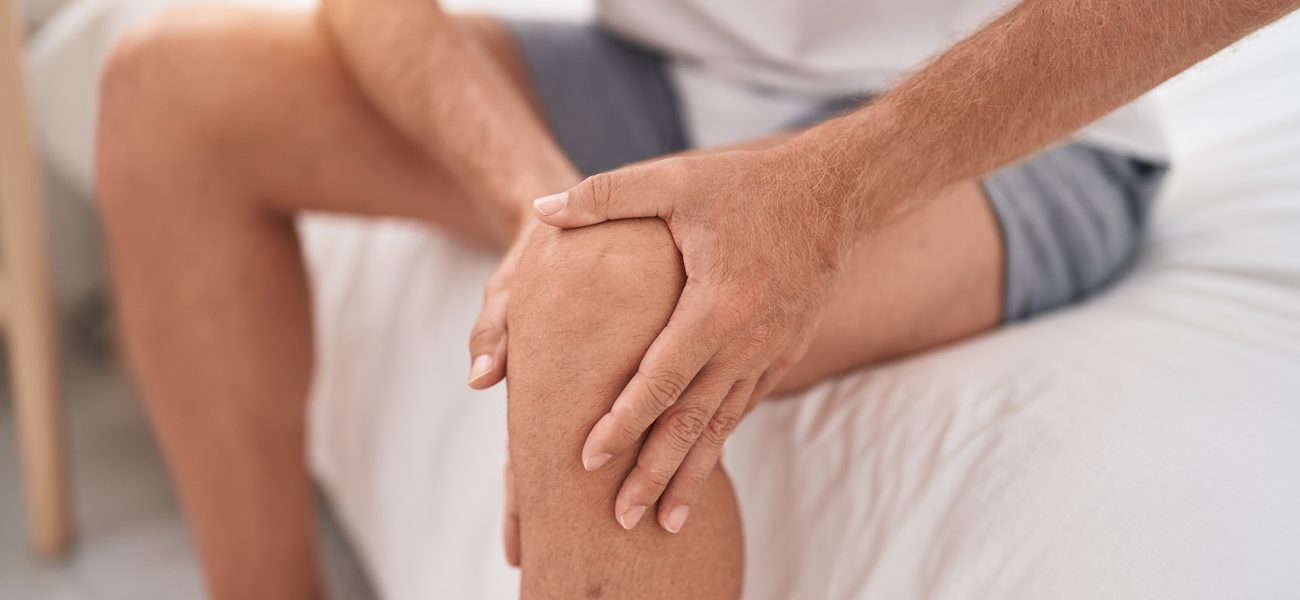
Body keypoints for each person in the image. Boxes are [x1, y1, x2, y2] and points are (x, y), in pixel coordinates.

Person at [94, 0, 1297, 597]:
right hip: (661, 80)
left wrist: (831, 188)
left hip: (993, 130)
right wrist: (544, 206)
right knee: (164, 93)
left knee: (605, 309)